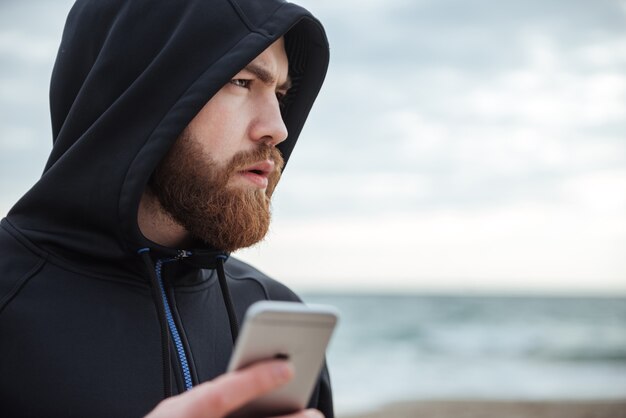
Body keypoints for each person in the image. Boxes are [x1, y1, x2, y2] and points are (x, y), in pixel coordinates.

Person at [0, 0, 331, 417]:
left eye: (281, 94)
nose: (278, 128)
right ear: (140, 93)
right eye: (242, 81)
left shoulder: (273, 311)